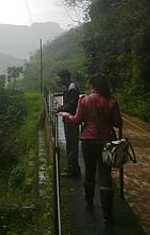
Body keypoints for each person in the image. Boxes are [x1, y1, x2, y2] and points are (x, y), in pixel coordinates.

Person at [58, 73, 123, 224]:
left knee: (89, 170)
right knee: (105, 174)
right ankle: (107, 214)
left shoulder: (85, 100)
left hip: (88, 141)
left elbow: (77, 120)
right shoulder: (112, 101)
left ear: (92, 85)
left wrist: (66, 115)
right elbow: (118, 123)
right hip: (106, 142)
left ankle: (88, 202)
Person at [54, 69, 80, 178]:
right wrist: (60, 109)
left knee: (72, 144)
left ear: (66, 77)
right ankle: (72, 167)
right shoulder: (70, 88)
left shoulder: (72, 89)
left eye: (61, 78)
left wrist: (59, 110)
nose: (60, 80)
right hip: (69, 119)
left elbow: (72, 105)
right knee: (70, 144)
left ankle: (73, 170)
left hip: (71, 120)